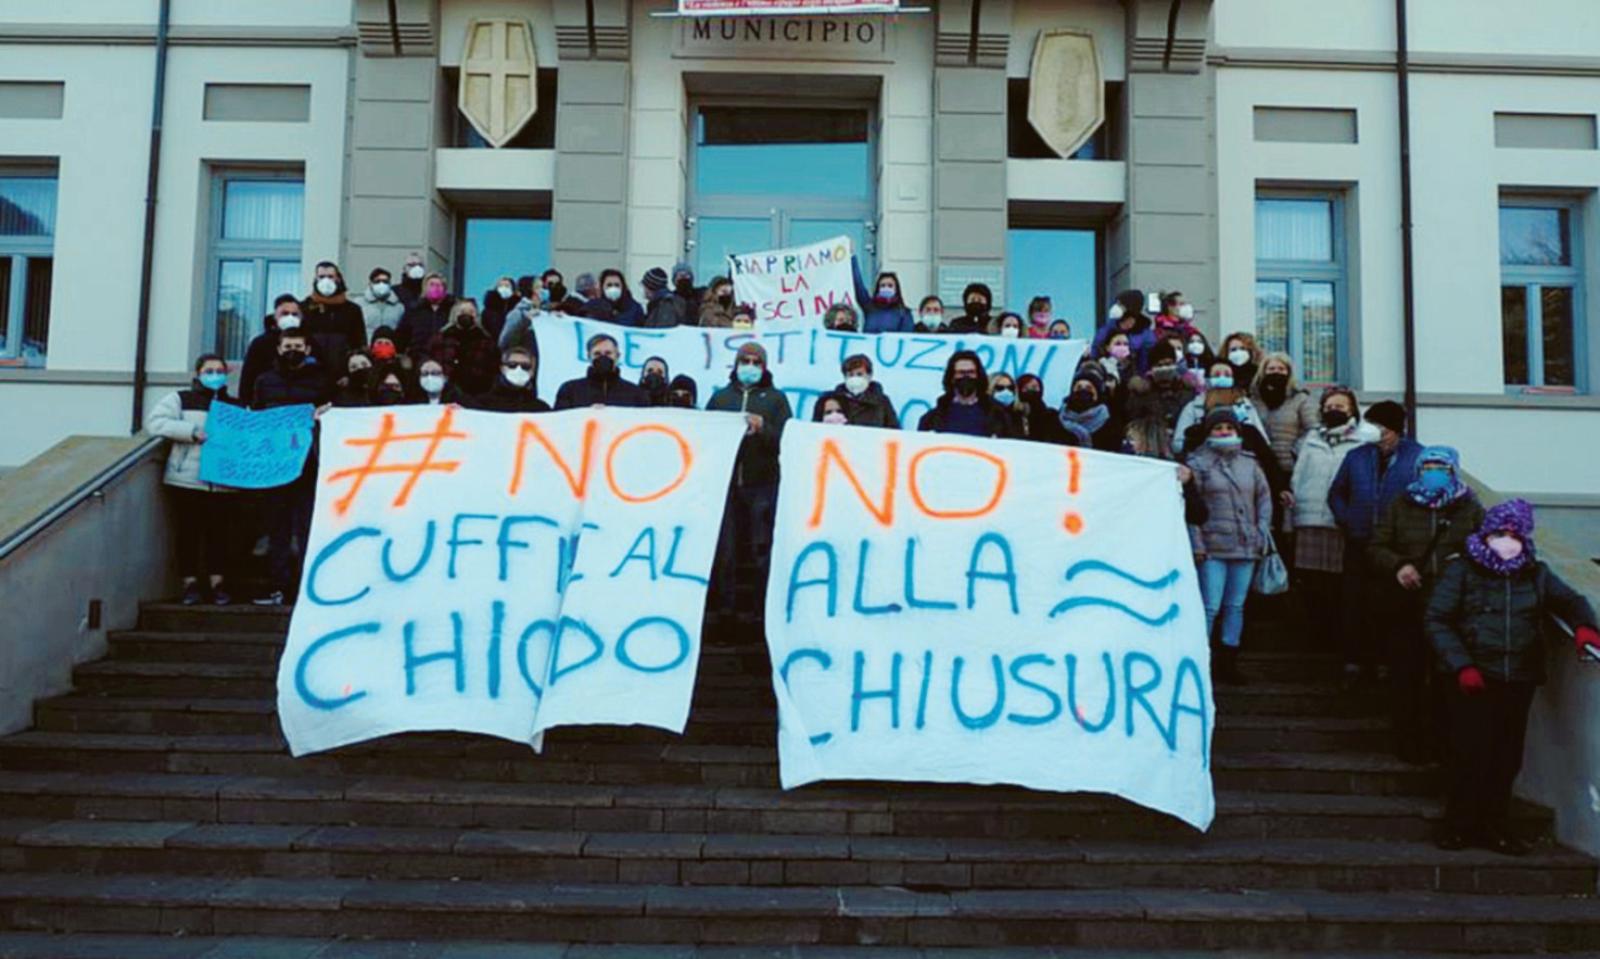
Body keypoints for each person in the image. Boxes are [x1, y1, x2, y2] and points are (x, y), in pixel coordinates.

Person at [1426, 499, 1599, 854]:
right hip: (1473, 677)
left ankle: (1494, 825)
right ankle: (1458, 824)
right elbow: (1437, 619)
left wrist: (1585, 628)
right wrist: (1463, 665)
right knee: (1470, 752)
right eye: (1500, 533)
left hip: (1517, 677)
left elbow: (1571, 601)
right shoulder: (1463, 570)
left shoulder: (1535, 572)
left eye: (1514, 534)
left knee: (1506, 757)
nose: (1507, 540)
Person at [1369, 446, 1485, 764]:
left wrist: (1463, 564)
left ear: (1453, 470)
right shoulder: (1401, 504)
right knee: (1407, 674)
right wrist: (1399, 565)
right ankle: (1407, 740)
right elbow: (1377, 545)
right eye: (1428, 465)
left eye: (1441, 466)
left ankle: (1442, 744)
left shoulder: (1469, 507)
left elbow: (1484, 547)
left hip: (1452, 608)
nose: (1433, 471)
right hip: (1409, 604)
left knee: (1446, 677)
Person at [1328, 399, 1423, 682]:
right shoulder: (1357, 456)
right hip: (1359, 541)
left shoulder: (1416, 457)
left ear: (1393, 429)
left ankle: (1385, 661)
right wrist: (1348, 519)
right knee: (1354, 602)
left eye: (1378, 425)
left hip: (1395, 549)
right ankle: (1355, 660)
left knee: (1390, 605)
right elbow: (1337, 493)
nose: (1372, 430)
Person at [1290, 388, 1374, 678]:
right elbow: (1298, 476)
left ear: (1352, 410)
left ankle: (1341, 643)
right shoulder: (1311, 439)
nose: (1334, 409)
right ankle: (1316, 639)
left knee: (1341, 586)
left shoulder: (1365, 439)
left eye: (1340, 405)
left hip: (1341, 522)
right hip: (1310, 518)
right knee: (1313, 584)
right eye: (1329, 405)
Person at [145, 353, 240, 606]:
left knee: (219, 535)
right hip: (187, 478)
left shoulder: (236, 405)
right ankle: (190, 585)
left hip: (223, 483)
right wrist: (190, 432)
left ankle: (217, 584)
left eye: (219, 370)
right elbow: (155, 423)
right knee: (188, 533)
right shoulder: (180, 399)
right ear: (197, 374)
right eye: (208, 371)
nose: (214, 375)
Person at [1186, 407, 1273, 683]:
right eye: (1218, 428)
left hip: (1245, 544)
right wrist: (1196, 543)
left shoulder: (1250, 462)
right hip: (1213, 546)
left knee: (1236, 605)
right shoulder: (1197, 463)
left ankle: (1228, 661)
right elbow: (1191, 507)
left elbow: (1263, 499)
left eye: (1229, 428)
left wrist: (1261, 533)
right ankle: (1201, 660)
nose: (1224, 433)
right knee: (1210, 606)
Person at [706, 342, 792, 621]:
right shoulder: (720, 398)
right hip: (726, 486)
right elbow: (704, 435)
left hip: (762, 484)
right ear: (736, 364)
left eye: (757, 362)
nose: (750, 366)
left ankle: (759, 614)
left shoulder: (776, 399)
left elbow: (786, 441)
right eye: (746, 360)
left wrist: (764, 427)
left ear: (764, 367)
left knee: (760, 551)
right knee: (725, 553)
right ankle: (725, 613)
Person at [250, 328, 330, 607]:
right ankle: (279, 587)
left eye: (298, 345)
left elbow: (333, 412)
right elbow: (255, 416)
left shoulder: (321, 380)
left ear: (308, 350)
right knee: (277, 530)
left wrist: (324, 414)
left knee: (307, 526)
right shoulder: (265, 380)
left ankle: (306, 587)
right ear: (278, 349)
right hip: (274, 466)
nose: (292, 350)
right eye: (287, 345)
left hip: (308, 464)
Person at [1251, 352, 1319, 477]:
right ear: (1263, 372)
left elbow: (1313, 429)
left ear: (1288, 372)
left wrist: (1295, 451)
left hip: (1290, 468)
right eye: (1271, 369)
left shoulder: (1300, 399)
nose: (1276, 372)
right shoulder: (1253, 400)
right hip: (1258, 468)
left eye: (1281, 369)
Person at [917, 351, 1013, 438]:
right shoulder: (932, 419)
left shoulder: (999, 415)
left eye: (971, 372)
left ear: (978, 376)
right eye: (961, 372)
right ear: (952, 377)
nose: (966, 376)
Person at [301, 261, 368, 375]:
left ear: (338, 279)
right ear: (315, 279)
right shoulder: (304, 308)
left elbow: (359, 344)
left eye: (330, 277)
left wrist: (349, 374)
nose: (326, 281)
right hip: (311, 373)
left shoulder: (352, 310)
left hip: (342, 374)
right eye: (321, 277)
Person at [240, 295, 307, 406]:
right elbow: (248, 379)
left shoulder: (311, 341)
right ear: (275, 316)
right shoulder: (260, 344)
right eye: (284, 313)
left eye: (295, 314)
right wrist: (246, 404)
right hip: (268, 404)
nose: (290, 317)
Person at [554, 333, 648, 409]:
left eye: (608, 353)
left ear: (617, 356)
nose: (603, 358)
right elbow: (560, 424)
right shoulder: (570, 390)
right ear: (588, 357)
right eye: (597, 354)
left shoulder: (635, 393)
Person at [428, 300, 498, 397]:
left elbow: (493, 369)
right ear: (454, 314)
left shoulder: (486, 341)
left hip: (477, 393)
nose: (466, 315)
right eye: (462, 312)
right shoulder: (441, 338)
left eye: (471, 312)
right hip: (445, 391)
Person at [819, 354, 899, 428]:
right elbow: (816, 428)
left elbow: (894, 430)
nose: (855, 378)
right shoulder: (831, 400)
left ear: (869, 375)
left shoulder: (882, 401)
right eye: (850, 375)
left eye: (859, 374)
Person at [1056, 365, 1124, 451]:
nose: (1083, 391)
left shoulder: (1111, 424)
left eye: (1089, 388)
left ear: (1097, 394)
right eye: (1079, 387)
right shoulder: (1057, 420)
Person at [471, 346, 550, 413]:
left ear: (532, 372)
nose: (519, 369)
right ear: (503, 369)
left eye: (525, 366)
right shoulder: (483, 405)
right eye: (512, 365)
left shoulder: (541, 409)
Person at [1090, 289, 1156, 370]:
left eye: (1120, 304)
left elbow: (1146, 363)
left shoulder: (1145, 335)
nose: (1116, 307)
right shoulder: (1106, 330)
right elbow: (1094, 354)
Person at [396, 273, 454, 356]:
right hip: (418, 356)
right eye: (432, 284)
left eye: (439, 285)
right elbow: (403, 335)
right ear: (424, 288)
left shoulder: (451, 309)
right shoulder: (414, 310)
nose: (436, 288)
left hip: (444, 356)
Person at [854, 267, 914, 333]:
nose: (886, 288)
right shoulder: (870, 307)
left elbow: (905, 337)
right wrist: (852, 257)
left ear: (896, 289)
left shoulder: (904, 313)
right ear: (878, 289)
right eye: (883, 285)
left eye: (890, 285)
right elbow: (858, 284)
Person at [498, 275, 546, 356]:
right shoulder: (517, 313)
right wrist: (525, 321)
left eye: (543, 287)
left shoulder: (544, 312)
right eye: (538, 287)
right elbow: (503, 342)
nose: (543, 291)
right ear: (530, 290)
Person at [357, 267, 404, 340]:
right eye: (377, 281)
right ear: (370, 284)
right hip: (367, 348)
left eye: (385, 282)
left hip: (390, 348)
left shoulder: (399, 307)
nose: (381, 284)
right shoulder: (359, 304)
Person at [480, 275, 519, 342]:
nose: (504, 288)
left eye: (507, 286)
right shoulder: (488, 310)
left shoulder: (517, 308)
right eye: (500, 286)